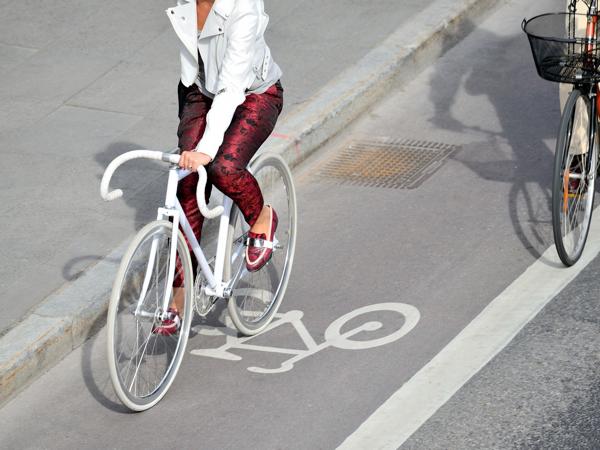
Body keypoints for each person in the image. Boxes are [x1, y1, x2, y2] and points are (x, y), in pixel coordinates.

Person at [155, 0, 284, 335]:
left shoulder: (244, 9)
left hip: (254, 93)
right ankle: (178, 297)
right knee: (185, 186)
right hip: (202, 92)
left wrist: (206, 151)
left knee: (223, 168)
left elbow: (231, 85)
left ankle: (261, 217)